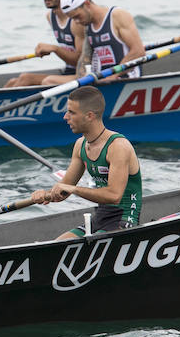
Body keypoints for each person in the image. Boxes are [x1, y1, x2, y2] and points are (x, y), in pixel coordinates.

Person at [31, 86, 142, 239]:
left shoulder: (118, 146)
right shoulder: (80, 145)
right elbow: (62, 192)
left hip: (124, 219)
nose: (65, 117)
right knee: (55, 245)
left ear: (89, 116)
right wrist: (46, 195)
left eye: (71, 112)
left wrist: (72, 189)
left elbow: (114, 196)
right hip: (100, 217)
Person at [43, 0, 145, 85]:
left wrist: (113, 75)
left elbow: (138, 51)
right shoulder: (87, 26)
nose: (77, 22)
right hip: (102, 80)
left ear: (87, 3)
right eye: (73, 19)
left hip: (125, 78)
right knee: (49, 81)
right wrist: (83, 79)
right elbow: (85, 59)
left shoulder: (117, 16)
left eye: (77, 17)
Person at [5, 0, 85, 88]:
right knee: (19, 79)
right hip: (69, 72)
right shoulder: (50, 17)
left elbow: (79, 61)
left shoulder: (76, 21)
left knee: (46, 81)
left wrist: (55, 49)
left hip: (84, 74)